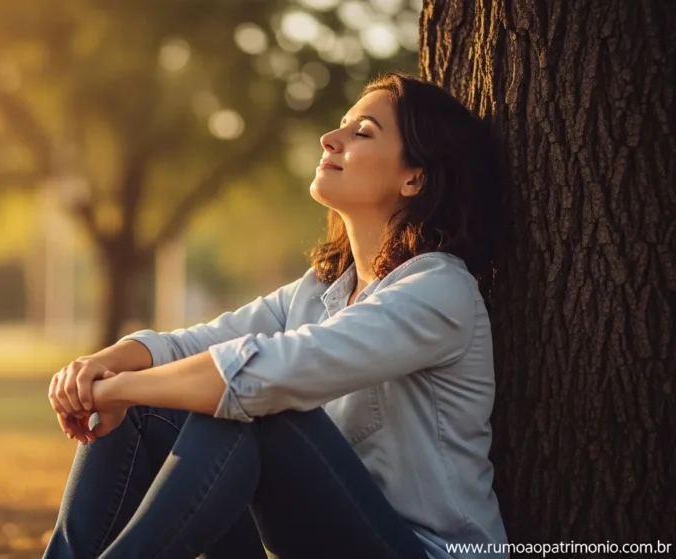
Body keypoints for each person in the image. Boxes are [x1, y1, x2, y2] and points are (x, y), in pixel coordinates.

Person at [43, 73, 509, 559]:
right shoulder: (323, 290)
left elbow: (256, 376)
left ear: (415, 177)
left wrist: (116, 389)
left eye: (363, 132)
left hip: (425, 551)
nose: (331, 138)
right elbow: (198, 343)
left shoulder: (439, 289)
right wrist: (108, 363)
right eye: (342, 125)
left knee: (257, 406)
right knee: (156, 409)